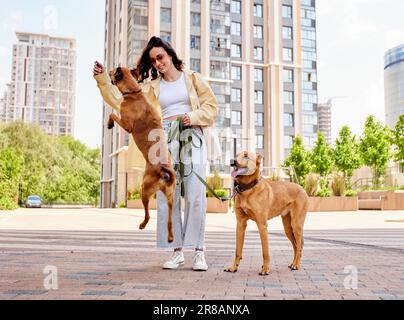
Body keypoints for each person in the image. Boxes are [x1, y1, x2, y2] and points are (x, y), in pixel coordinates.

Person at [93, 36, 218, 271]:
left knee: (195, 194)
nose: (158, 63)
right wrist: (102, 79)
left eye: (160, 57)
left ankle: (199, 251)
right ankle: (177, 251)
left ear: (169, 54)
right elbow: (120, 99)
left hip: (192, 133)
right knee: (166, 195)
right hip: (161, 139)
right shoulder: (150, 87)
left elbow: (211, 106)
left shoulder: (192, 79)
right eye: (153, 60)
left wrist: (193, 117)